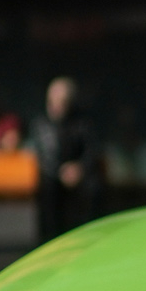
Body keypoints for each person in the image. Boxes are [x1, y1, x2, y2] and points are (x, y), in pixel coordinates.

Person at [31, 77, 102, 241]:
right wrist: (60, 172)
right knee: (47, 190)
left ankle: (92, 237)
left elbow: (92, 150)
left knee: (93, 188)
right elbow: (43, 157)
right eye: (53, 101)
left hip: (80, 174)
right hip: (53, 176)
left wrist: (79, 168)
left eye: (62, 102)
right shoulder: (41, 125)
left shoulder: (83, 122)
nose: (56, 106)